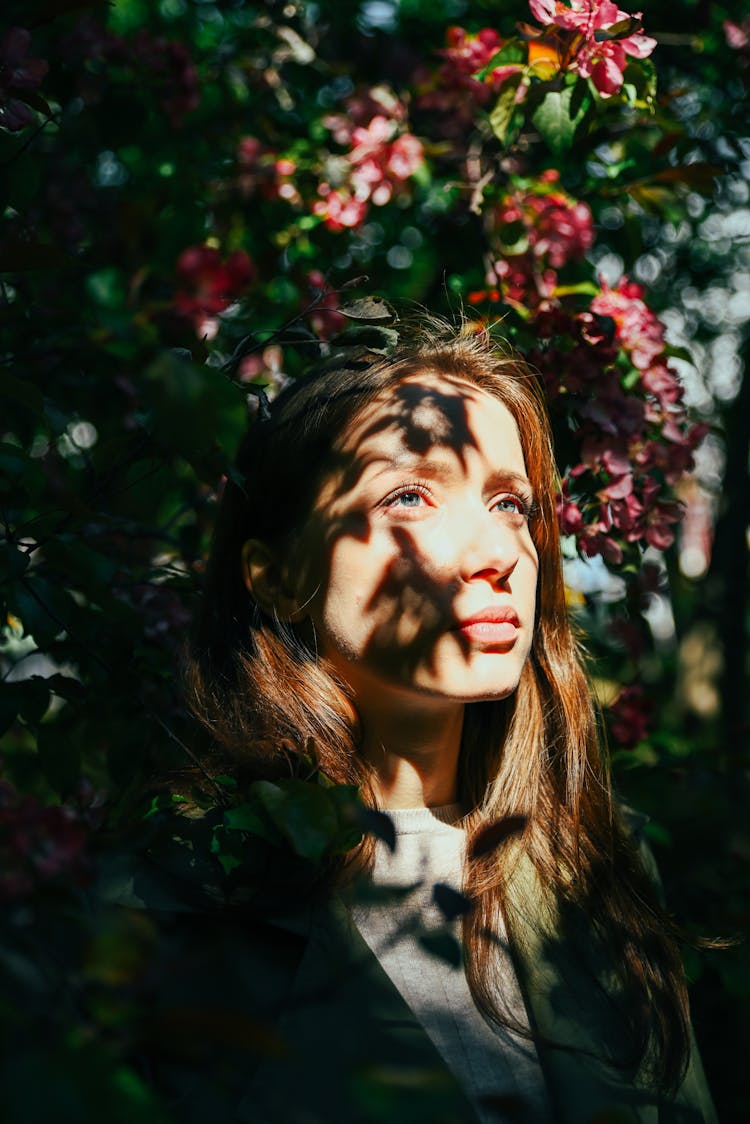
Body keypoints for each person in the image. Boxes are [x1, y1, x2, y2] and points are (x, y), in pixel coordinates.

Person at [163, 316, 715, 1123]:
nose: (496, 552)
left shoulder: (597, 857)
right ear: (278, 576)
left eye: (508, 502)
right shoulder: (177, 898)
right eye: (410, 495)